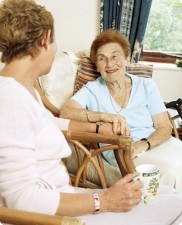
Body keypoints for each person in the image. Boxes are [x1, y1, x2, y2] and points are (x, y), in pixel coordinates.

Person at [0, 1, 182, 225]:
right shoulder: (10, 98)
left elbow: (54, 123)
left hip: (65, 196)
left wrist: (99, 126)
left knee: (170, 195)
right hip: (55, 213)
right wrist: (104, 201)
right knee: (174, 209)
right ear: (46, 40)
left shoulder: (23, 90)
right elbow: (21, 199)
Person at [60, 28, 182, 196]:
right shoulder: (93, 89)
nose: (109, 64)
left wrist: (143, 144)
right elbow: (66, 112)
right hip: (124, 152)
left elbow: (164, 126)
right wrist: (103, 116)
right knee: (173, 172)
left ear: (126, 59)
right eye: (102, 59)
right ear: (97, 65)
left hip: (155, 143)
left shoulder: (146, 86)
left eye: (115, 56)